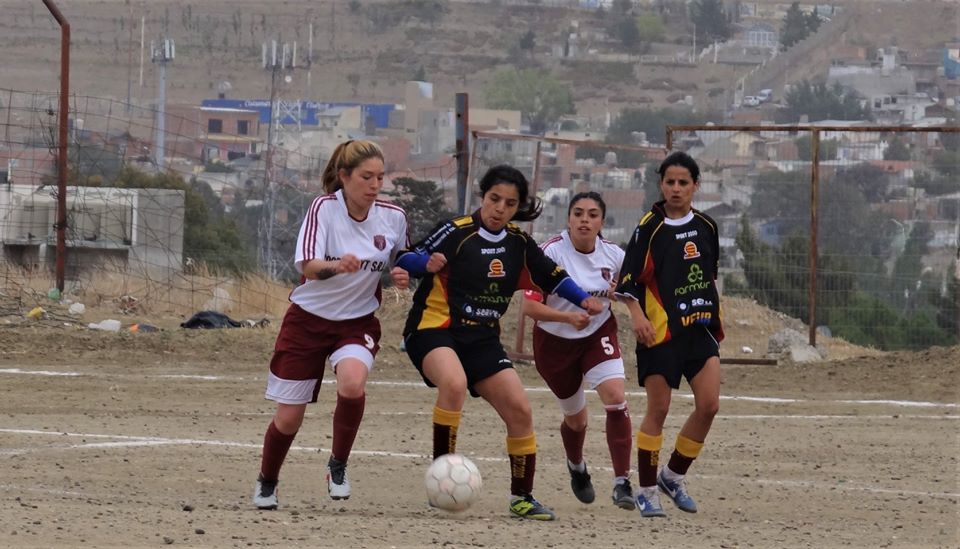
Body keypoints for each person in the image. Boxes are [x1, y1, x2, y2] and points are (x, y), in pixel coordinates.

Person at [395, 165, 604, 521]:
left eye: (509, 204)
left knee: (521, 409)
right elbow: (408, 258)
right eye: (494, 200)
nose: (500, 209)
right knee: (454, 383)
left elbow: (553, 277)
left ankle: (522, 498)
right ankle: (440, 478)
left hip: (482, 338)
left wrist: (583, 298)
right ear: (483, 196)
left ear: (517, 207)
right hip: (435, 328)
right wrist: (421, 264)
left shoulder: (518, 244)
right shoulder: (456, 231)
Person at [253, 140, 410, 510]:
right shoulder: (324, 209)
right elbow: (307, 266)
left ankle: (337, 465)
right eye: (365, 177)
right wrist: (337, 266)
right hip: (307, 322)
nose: (374, 185)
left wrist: (404, 271)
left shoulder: (393, 217)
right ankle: (267, 480)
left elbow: (402, 258)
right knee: (289, 419)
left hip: (356, 322)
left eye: (380, 178)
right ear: (344, 177)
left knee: (353, 384)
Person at [615, 151, 724, 517]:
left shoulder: (708, 226)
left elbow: (708, 273)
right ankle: (646, 490)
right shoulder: (649, 227)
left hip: (699, 329)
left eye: (683, 182)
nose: (676, 188)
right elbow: (627, 280)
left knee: (709, 406)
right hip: (658, 333)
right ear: (661, 185)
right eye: (670, 182)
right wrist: (636, 314)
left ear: (696, 186)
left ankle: (673, 476)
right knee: (658, 409)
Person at [520, 191, 636, 510]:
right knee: (576, 420)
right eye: (579, 213)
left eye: (593, 214)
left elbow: (634, 290)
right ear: (568, 218)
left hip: (598, 334)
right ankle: (577, 466)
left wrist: (622, 294)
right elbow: (529, 307)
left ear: (601, 222)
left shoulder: (613, 255)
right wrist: (567, 317)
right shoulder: (549, 253)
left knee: (615, 397)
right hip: (554, 343)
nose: (585, 219)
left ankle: (622, 482)